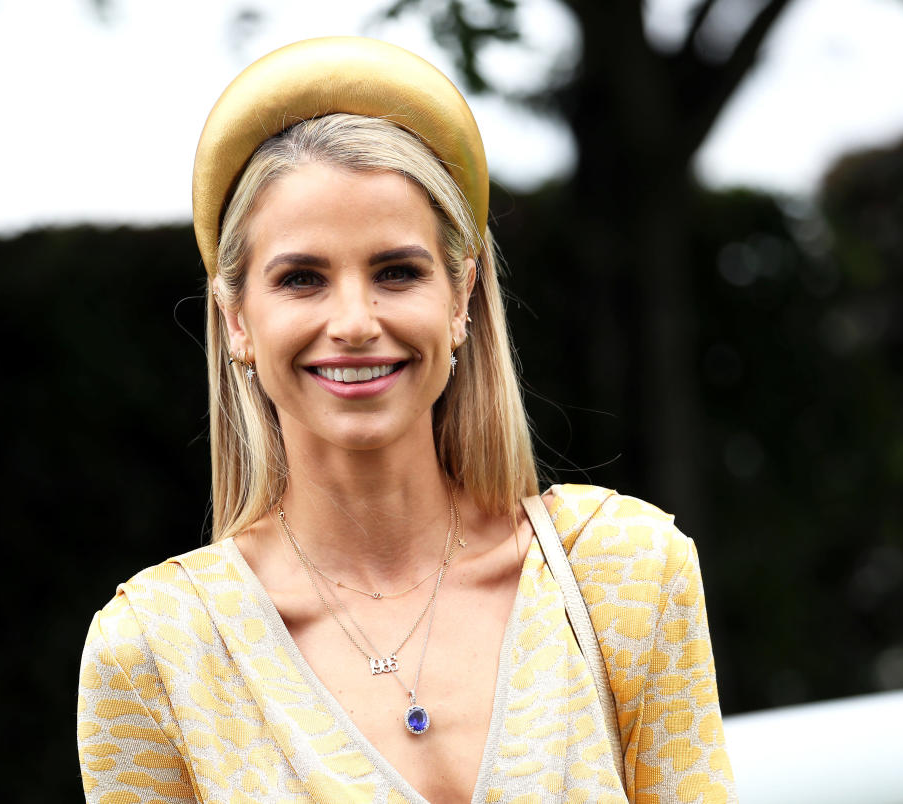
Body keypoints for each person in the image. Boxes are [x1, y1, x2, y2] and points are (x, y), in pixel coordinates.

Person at [76, 37, 735, 804]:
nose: (354, 322)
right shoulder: (157, 655)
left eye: (397, 272)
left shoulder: (627, 574)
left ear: (460, 297)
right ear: (236, 321)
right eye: (301, 279)